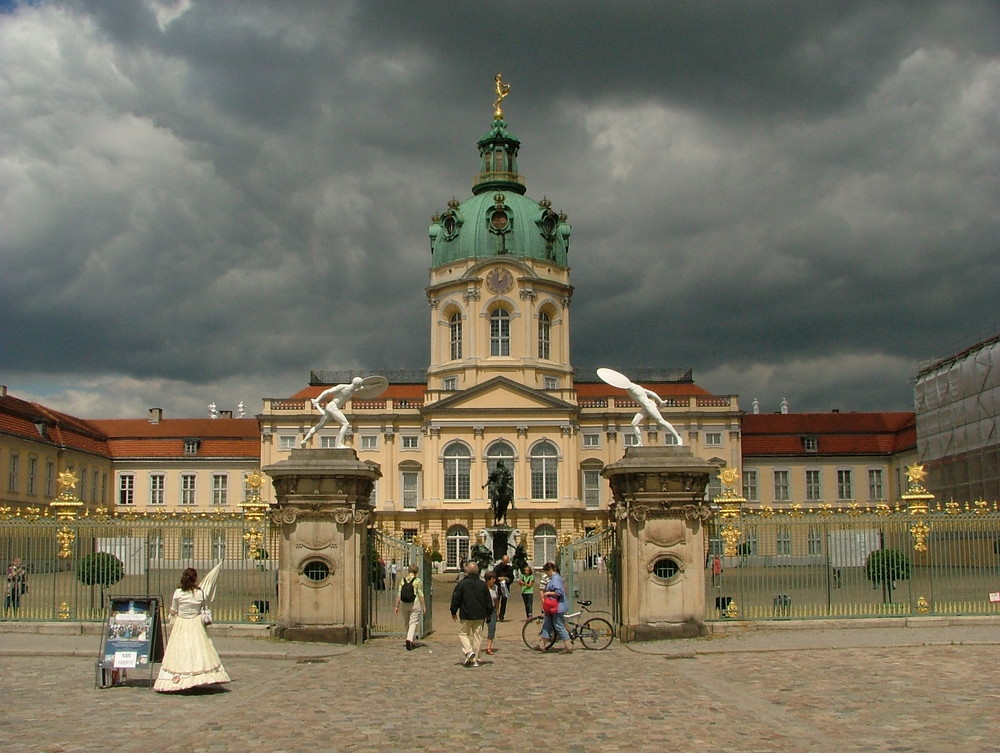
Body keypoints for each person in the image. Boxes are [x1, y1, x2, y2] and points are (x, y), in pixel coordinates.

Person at [154, 562, 231, 692]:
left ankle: (179, 677)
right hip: (196, 623)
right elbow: (203, 609)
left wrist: (173, 616)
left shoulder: (178, 593)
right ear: (195, 579)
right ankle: (198, 676)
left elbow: (174, 609)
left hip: (181, 623)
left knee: (180, 650)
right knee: (197, 649)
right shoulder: (200, 594)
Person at [301, 377, 366, 448]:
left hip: (332, 408)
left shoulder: (354, 390)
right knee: (345, 423)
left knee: (320, 425)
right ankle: (339, 444)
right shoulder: (342, 387)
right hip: (333, 406)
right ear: (357, 384)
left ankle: (304, 440)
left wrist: (378, 384)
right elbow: (327, 392)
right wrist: (317, 400)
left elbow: (367, 387)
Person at [450, 562, 493, 667]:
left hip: (466, 614)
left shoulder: (462, 584)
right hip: (479, 614)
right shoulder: (483, 585)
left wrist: (453, 611)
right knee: (477, 636)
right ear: (477, 571)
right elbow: (488, 601)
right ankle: (475, 660)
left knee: (463, 633)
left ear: (467, 571)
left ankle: (469, 651)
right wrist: (489, 613)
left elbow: (456, 598)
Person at [625, 379, 683, 446]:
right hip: (645, 408)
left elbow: (651, 393)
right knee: (634, 423)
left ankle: (678, 438)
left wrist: (660, 401)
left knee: (661, 421)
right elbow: (651, 392)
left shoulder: (635, 389)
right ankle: (640, 443)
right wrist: (660, 401)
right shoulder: (632, 388)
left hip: (649, 405)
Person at [535, 561, 572, 653]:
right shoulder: (553, 578)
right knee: (547, 624)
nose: (546, 574)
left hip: (558, 606)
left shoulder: (556, 578)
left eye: (546, 572)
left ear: (550, 570)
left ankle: (568, 645)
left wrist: (548, 593)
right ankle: (542, 644)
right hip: (552, 606)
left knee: (558, 625)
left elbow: (559, 592)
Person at [394, 564, 425, 651]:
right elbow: (421, 594)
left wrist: (396, 606)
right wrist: (423, 606)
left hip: (404, 604)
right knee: (413, 623)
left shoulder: (403, 580)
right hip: (414, 603)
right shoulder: (418, 581)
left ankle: (411, 640)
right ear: (416, 572)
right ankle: (409, 639)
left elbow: (399, 594)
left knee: (406, 623)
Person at [493, 554, 514, 620]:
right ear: (502, 560)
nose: (505, 563)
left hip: (505, 587)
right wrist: (498, 578)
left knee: (504, 602)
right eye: (504, 561)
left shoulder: (509, 568)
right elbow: (493, 576)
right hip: (498, 586)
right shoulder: (497, 567)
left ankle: (501, 615)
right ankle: (496, 614)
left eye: (507, 562)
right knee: (496, 601)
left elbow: (512, 578)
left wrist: (507, 580)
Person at [483, 570, 500, 656]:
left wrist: (497, 610)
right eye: (493, 579)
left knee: (492, 627)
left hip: (492, 609)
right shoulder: (483, 587)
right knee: (479, 628)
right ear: (488, 580)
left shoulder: (495, 587)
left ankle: (488, 647)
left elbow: (496, 599)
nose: (494, 580)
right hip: (483, 609)